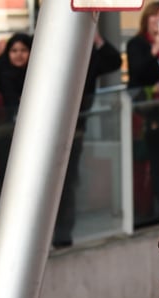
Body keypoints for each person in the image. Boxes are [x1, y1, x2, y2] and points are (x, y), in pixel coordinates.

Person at [52, 30, 122, 249]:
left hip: (77, 128)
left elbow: (114, 61)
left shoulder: (88, 56)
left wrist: (96, 36)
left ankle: (63, 234)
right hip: (48, 131)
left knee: (68, 180)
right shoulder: (50, 57)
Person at [127, 2, 159, 226]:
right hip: (144, 116)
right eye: (155, 17)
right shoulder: (137, 44)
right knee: (143, 166)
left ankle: (158, 213)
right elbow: (138, 72)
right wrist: (156, 47)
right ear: (146, 19)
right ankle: (142, 215)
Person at [0, 32, 32, 202]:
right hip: (3, 138)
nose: (19, 55)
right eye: (14, 50)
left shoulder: (37, 74)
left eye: (23, 50)